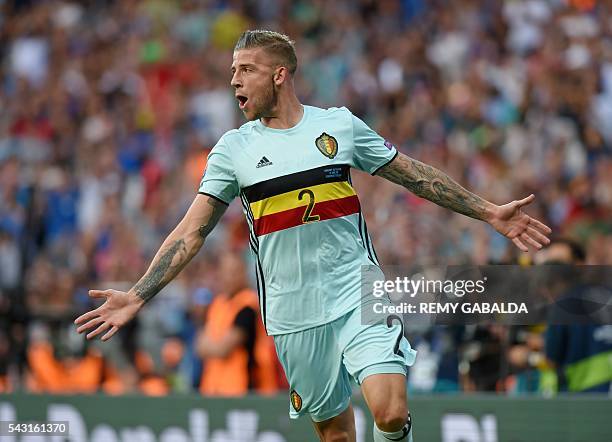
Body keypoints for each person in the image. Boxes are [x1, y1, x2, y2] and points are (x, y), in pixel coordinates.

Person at [75, 30, 551, 442]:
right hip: (293, 312)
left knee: (390, 410)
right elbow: (191, 231)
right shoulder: (233, 150)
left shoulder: (337, 125)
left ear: (279, 74)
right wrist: (139, 293)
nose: (234, 80)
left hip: (357, 289)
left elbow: (412, 174)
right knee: (337, 433)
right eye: (232, 71)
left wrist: (489, 211)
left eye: (246, 69)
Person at [196, 251, 279, 396]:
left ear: (243, 274)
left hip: (243, 389)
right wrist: (212, 345)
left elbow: (223, 349)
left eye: (235, 272)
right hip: (213, 389)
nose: (230, 277)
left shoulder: (248, 305)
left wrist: (211, 344)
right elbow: (199, 346)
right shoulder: (218, 304)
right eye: (226, 272)